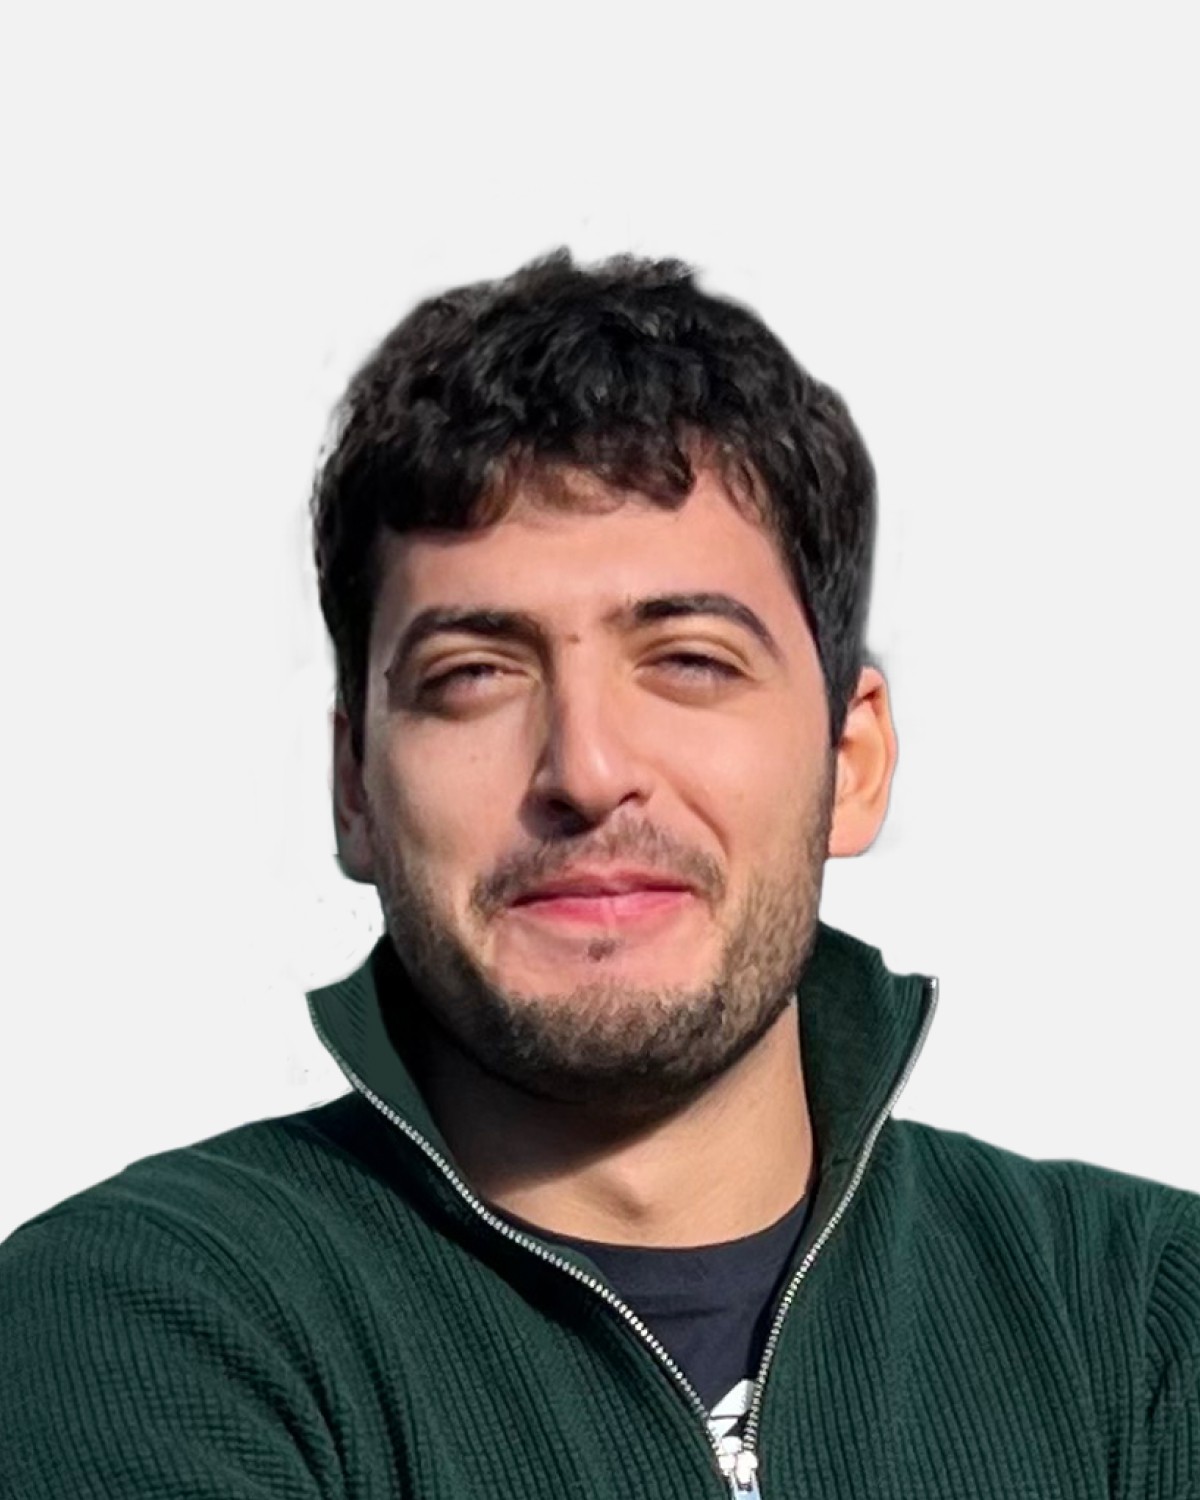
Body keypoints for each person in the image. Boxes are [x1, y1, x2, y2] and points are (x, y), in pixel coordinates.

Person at [1, 251, 1197, 1500]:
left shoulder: (1145, 1323)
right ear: (356, 788)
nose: (586, 767)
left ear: (851, 760)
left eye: (688, 661)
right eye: (474, 674)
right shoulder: (142, 1321)